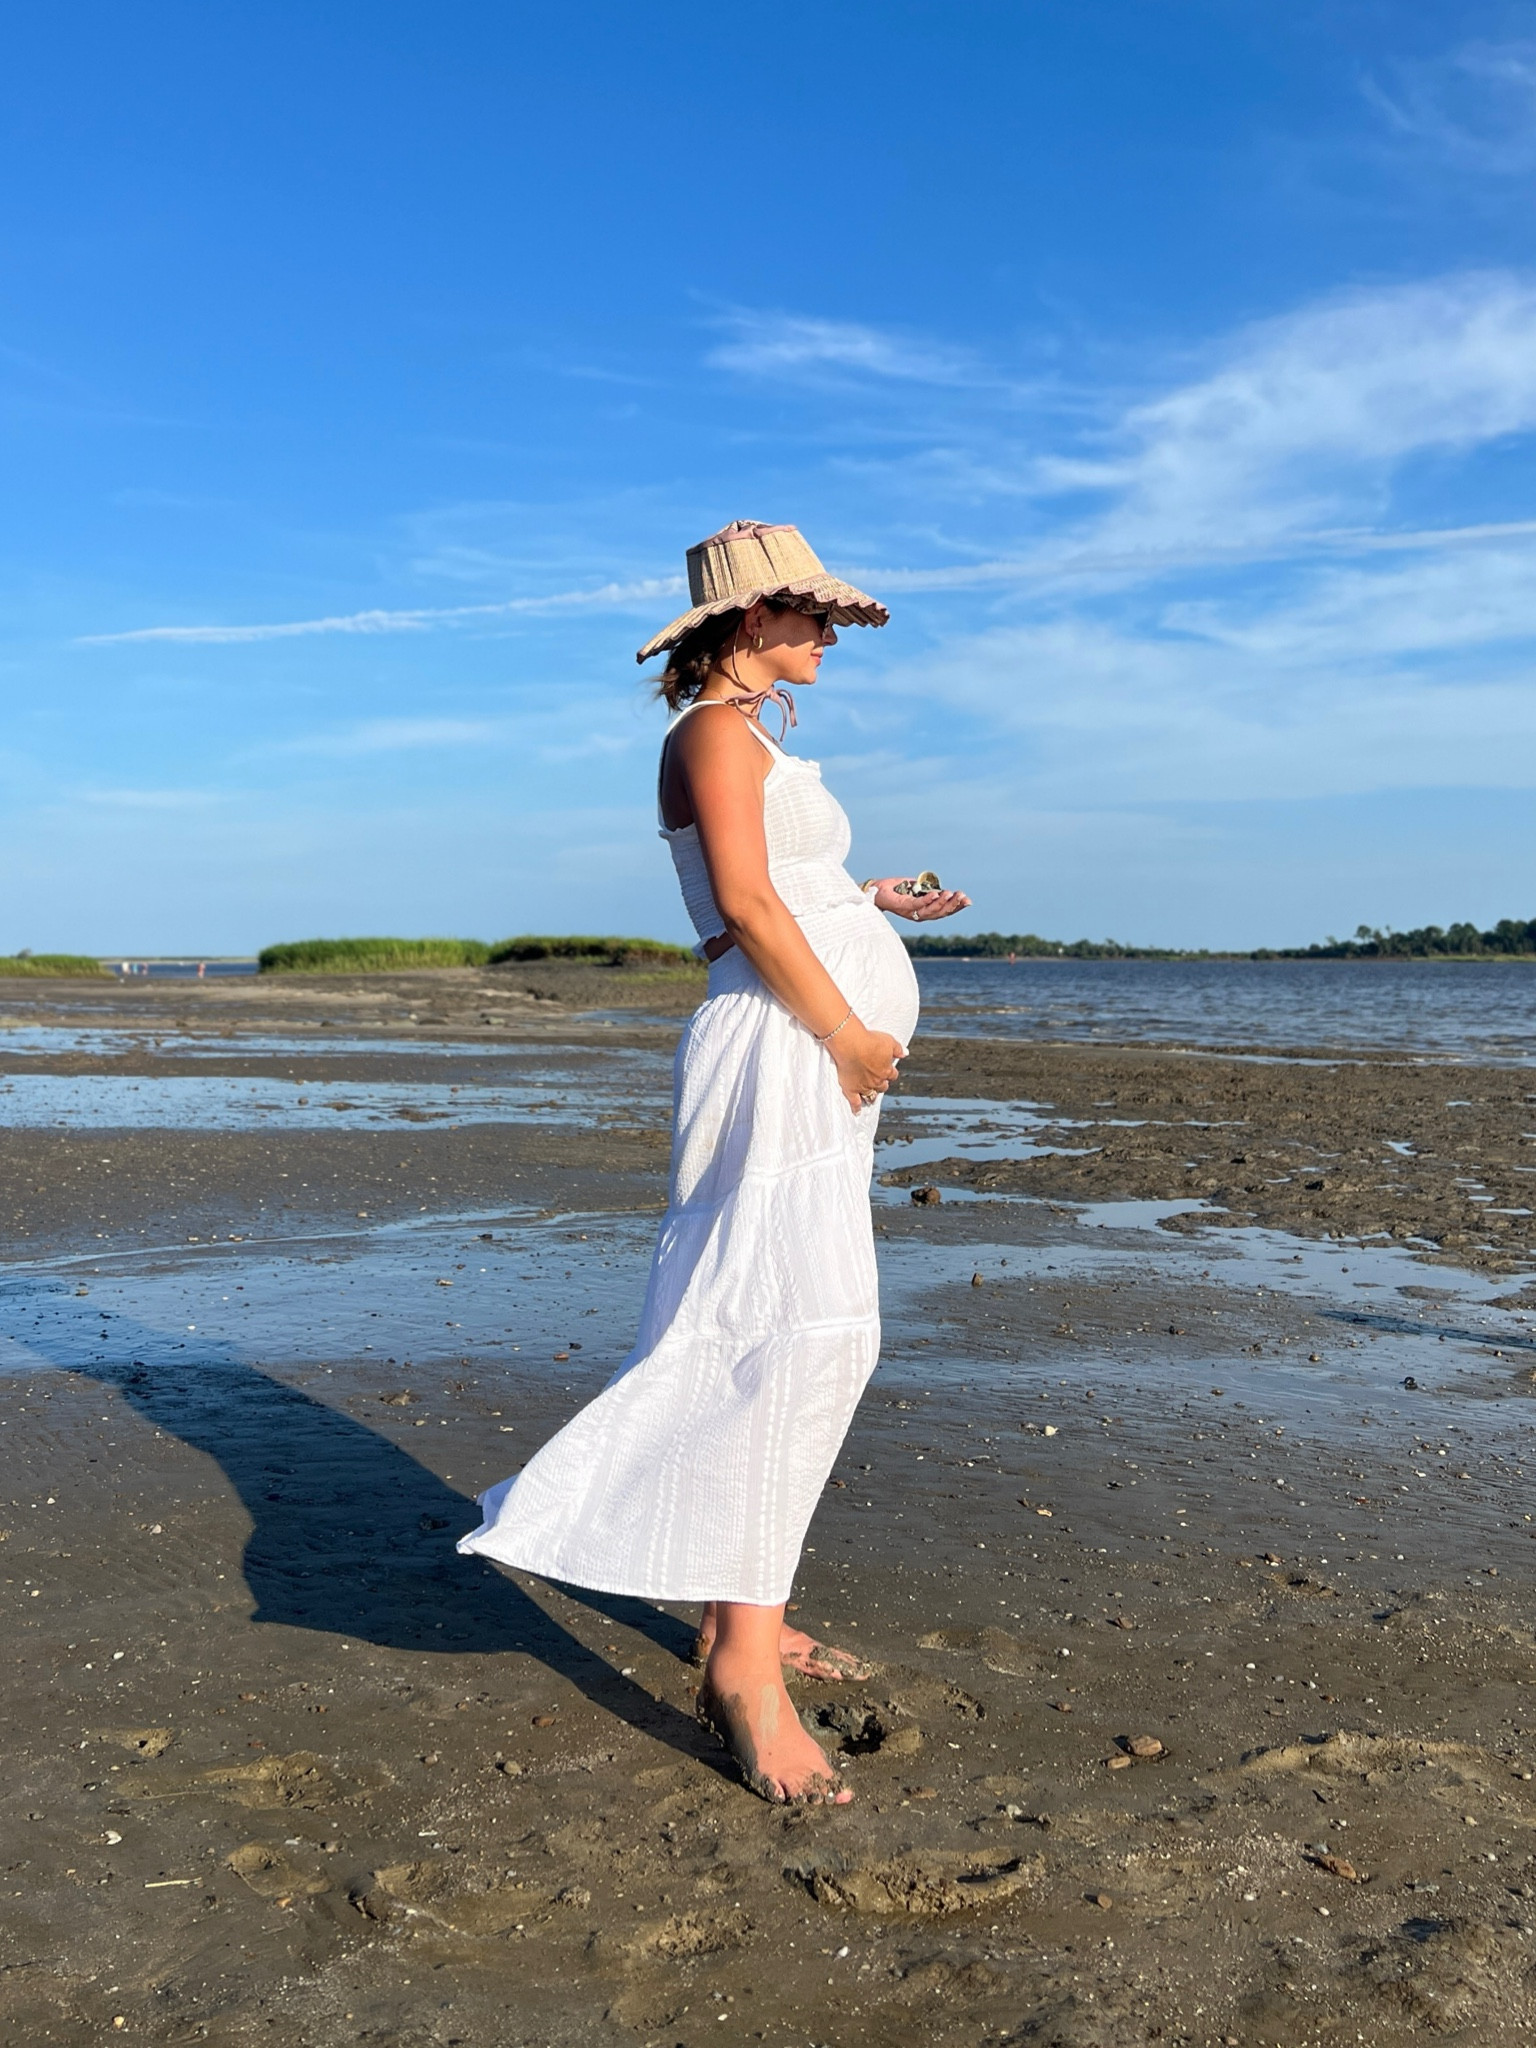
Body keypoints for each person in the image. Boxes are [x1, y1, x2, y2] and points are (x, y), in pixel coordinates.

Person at [459, 520, 970, 1804]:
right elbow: (739, 907)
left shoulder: (748, 738)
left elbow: (783, 886)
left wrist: (870, 901)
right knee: (791, 1332)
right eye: (812, 618)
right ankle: (744, 1664)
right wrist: (849, 1028)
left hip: (807, 1048)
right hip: (789, 1047)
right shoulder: (709, 734)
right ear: (750, 625)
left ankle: (740, 1602)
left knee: (793, 1327)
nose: (829, 637)